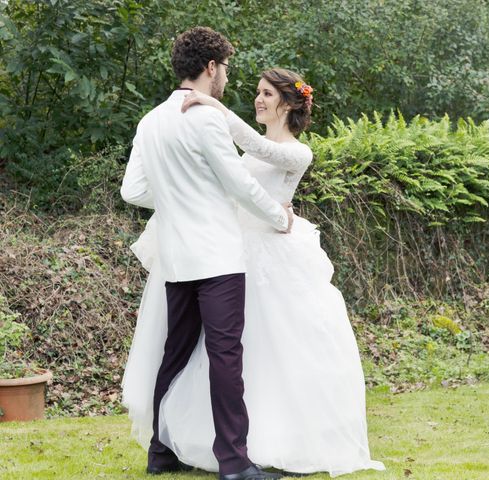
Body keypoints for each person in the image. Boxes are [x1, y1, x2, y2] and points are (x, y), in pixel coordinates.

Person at [122, 67, 385, 477]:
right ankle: (206, 444)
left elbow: (257, 155)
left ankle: (275, 441)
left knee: (274, 351)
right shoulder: (252, 147)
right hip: (233, 251)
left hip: (272, 256)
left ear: (288, 102)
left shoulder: (298, 152)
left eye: (266, 94)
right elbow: (235, 183)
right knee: (223, 354)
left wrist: (215, 108)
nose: (258, 99)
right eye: (257, 93)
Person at [120, 26, 291, 480]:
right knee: (225, 357)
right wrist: (280, 217)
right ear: (210, 67)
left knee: (174, 354)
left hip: (176, 261)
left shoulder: (150, 120)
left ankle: (161, 454)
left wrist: (177, 196)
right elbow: (238, 182)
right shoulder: (206, 117)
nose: (228, 80)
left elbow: (132, 189)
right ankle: (234, 464)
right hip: (218, 258)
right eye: (227, 69)